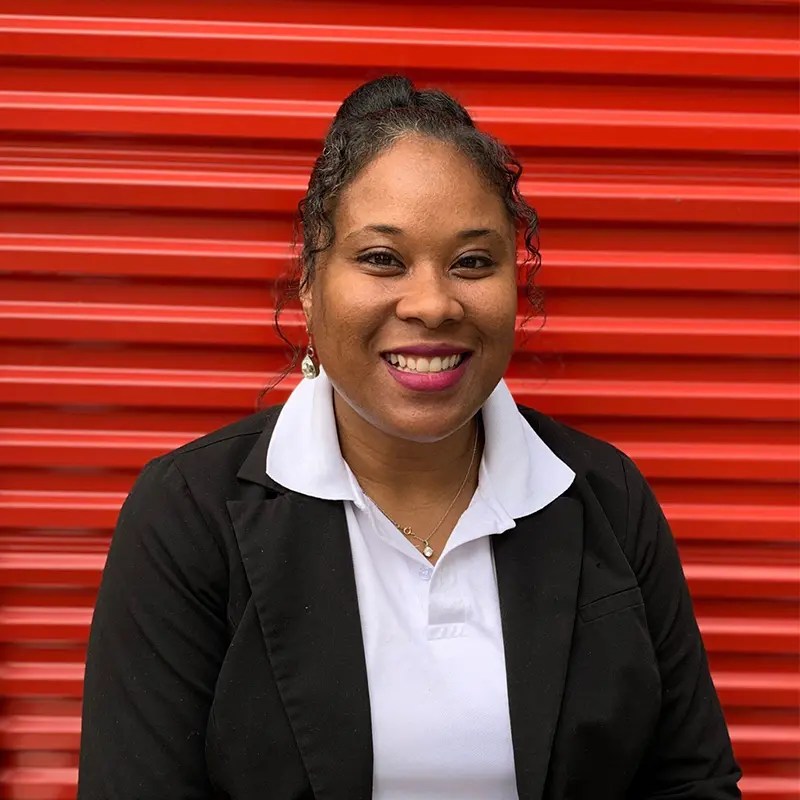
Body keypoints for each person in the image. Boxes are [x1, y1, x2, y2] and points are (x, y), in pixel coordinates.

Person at [77, 75, 741, 799]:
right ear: (309, 281)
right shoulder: (189, 517)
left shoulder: (604, 497)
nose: (432, 304)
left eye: (472, 262)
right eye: (382, 259)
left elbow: (691, 782)